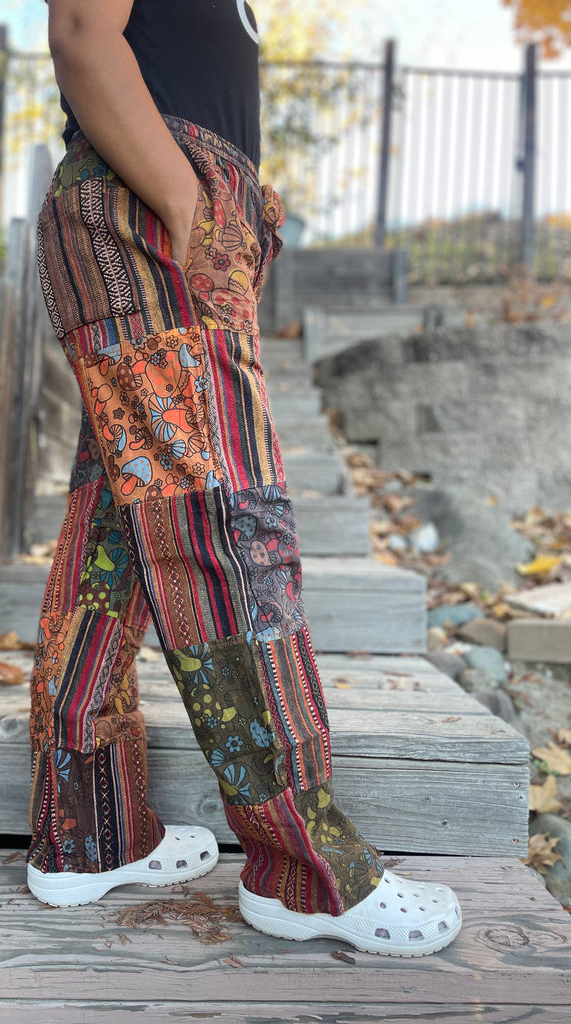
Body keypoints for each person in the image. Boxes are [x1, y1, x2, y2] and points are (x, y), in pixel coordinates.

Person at [27, 0, 462, 957]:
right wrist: (193, 210)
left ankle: (89, 832)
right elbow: (82, 30)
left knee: (115, 533)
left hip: (152, 215)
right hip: (149, 217)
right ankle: (305, 873)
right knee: (226, 531)